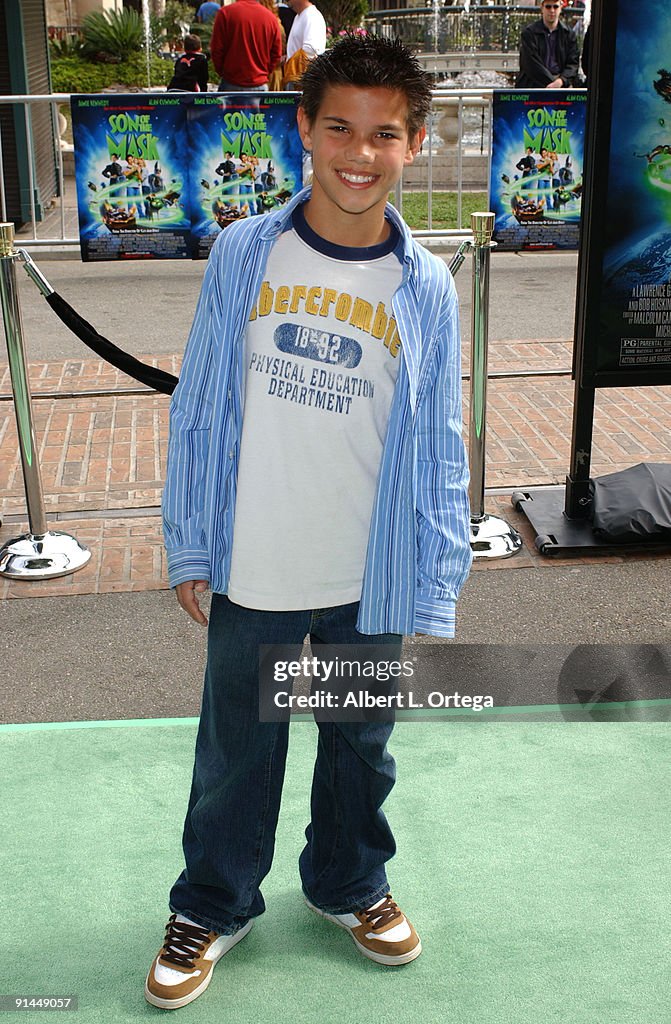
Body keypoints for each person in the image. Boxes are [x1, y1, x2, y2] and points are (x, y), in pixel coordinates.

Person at [145, 33, 472, 1011]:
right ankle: (214, 899)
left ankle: (348, 882)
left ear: (413, 144)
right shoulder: (247, 251)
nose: (357, 153)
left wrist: (434, 570)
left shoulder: (426, 285)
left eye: (382, 134)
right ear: (302, 128)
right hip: (256, 557)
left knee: (359, 744)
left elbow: (441, 435)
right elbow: (200, 402)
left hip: (365, 566)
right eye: (338, 127)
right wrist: (192, 542)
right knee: (236, 749)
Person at [210, 0, 282, 91]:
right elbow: (276, 53)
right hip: (259, 83)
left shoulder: (225, 13)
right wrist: (264, 73)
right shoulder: (271, 18)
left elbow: (216, 49)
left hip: (231, 83)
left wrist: (224, 72)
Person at [515, 0, 580, 89]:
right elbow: (531, 64)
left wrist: (561, 81)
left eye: (555, 7)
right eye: (548, 7)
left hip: (561, 86)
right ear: (542, 8)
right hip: (533, 86)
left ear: (561, 8)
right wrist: (554, 83)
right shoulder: (529, 33)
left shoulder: (569, 34)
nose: (552, 10)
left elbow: (573, 63)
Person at [282, 0, 326, 87]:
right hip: (297, 80)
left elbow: (311, 50)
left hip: (302, 82)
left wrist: (291, 66)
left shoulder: (312, 16)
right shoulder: (300, 16)